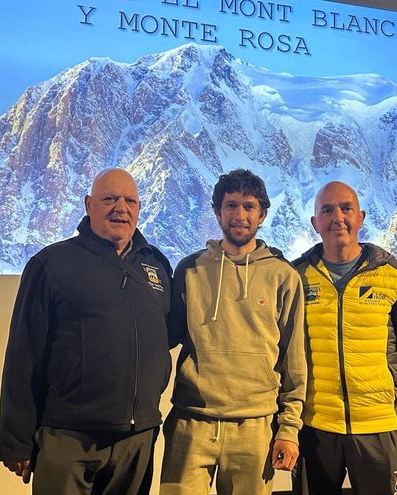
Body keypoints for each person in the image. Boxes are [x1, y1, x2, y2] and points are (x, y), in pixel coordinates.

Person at [0, 168, 173, 495]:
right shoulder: (52, 263)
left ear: (139, 208)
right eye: (109, 199)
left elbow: (165, 335)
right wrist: (16, 441)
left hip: (137, 439)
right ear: (89, 205)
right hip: (69, 438)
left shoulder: (157, 266)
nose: (121, 207)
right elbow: (24, 354)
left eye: (130, 200)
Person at [160, 169, 306, 495]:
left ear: (262, 214)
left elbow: (294, 361)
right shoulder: (190, 269)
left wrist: (289, 429)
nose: (240, 215)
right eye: (231, 205)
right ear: (218, 212)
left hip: (255, 428)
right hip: (191, 422)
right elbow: (164, 338)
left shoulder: (283, 276)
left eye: (249, 206)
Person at [292, 181, 397, 495]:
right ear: (315, 223)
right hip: (316, 428)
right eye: (326, 210)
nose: (337, 217)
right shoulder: (296, 276)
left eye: (346, 208)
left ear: (361, 217)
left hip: (379, 427)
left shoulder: (393, 274)